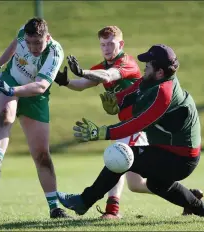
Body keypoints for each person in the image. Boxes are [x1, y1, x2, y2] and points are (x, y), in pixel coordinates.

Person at [56, 44, 204, 218]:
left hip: (181, 158)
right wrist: (116, 103)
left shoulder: (164, 93)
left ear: (160, 72)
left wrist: (101, 133)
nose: (144, 68)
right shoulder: (152, 81)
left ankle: (83, 201)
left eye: (148, 65)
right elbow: (127, 94)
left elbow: (136, 124)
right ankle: (202, 209)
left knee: (122, 156)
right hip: (170, 150)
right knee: (157, 184)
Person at [54, 25, 150, 219]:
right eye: (103, 44)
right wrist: (66, 82)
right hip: (128, 124)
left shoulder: (127, 62)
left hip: (138, 122)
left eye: (111, 43)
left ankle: (111, 211)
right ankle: (188, 197)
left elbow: (108, 76)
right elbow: (83, 84)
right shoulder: (102, 66)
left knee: (117, 160)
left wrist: (82, 72)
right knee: (136, 185)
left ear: (121, 44)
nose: (106, 48)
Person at [0, 17, 71, 219]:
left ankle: (54, 208)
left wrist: (13, 90)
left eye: (37, 43)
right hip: (10, 79)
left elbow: (40, 86)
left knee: (42, 154)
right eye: (29, 42)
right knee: (7, 114)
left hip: (35, 95)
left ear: (47, 38)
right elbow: (14, 44)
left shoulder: (55, 52)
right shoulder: (23, 31)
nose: (32, 48)